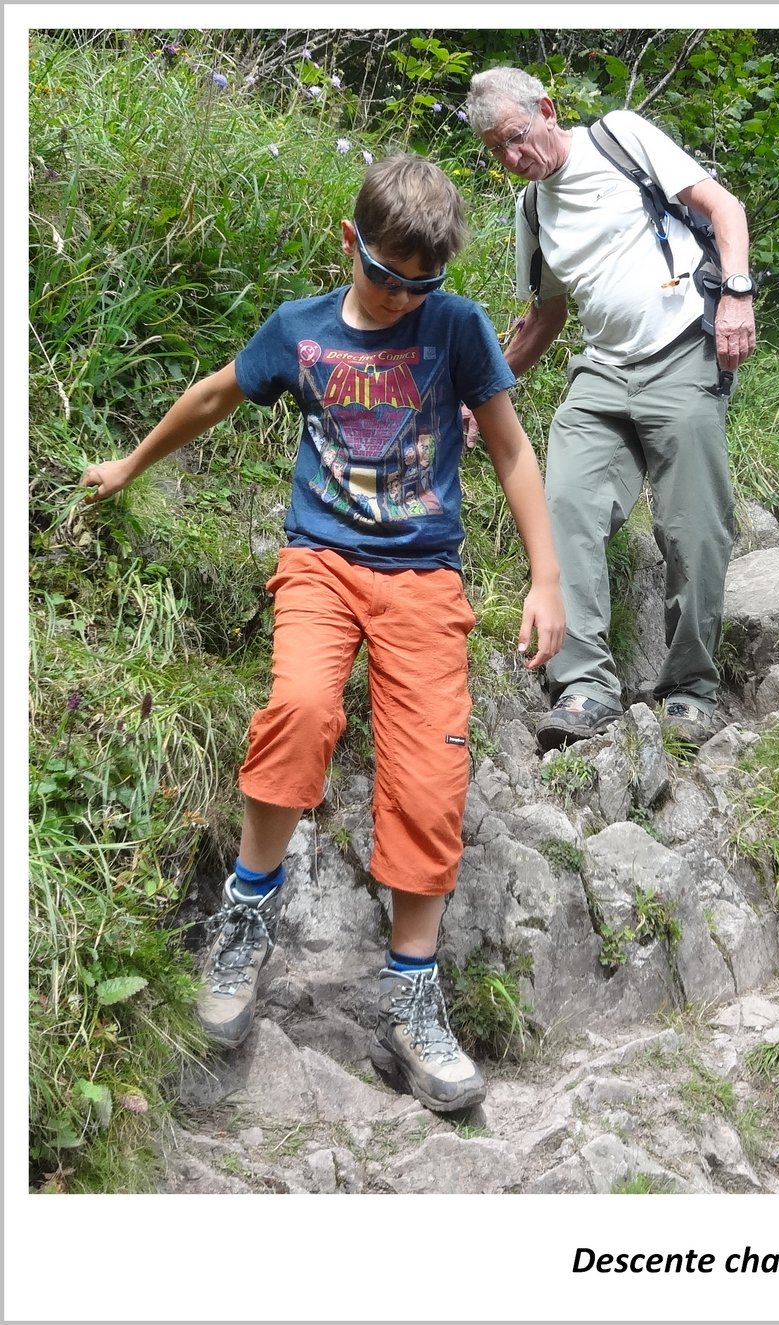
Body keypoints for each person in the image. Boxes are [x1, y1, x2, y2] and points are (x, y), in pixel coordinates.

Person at [80, 153, 564, 1114]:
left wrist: (546, 578)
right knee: (299, 706)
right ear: (351, 243)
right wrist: (129, 465)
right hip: (322, 563)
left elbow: (509, 445)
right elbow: (218, 393)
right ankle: (247, 914)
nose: (401, 297)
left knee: (430, 772)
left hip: (425, 577)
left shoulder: (458, 328)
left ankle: (412, 996)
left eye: (420, 283)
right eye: (386, 275)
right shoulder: (300, 334)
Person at [465, 66, 757, 751]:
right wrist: (481, 396)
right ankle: (586, 687)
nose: (512, 159)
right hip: (601, 371)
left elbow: (724, 207)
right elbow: (545, 317)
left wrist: (737, 293)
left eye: (515, 137)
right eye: (496, 151)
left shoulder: (619, 138)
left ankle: (690, 691)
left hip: (683, 348)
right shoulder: (531, 210)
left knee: (694, 528)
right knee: (563, 501)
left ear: (546, 108)